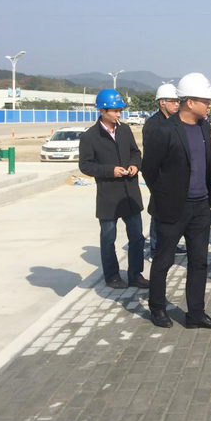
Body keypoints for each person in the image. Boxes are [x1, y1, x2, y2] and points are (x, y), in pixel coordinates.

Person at [141, 73, 211, 330]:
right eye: (205, 101)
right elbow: (149, 170)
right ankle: (157, 308)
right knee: (163, 260)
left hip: (200, 207)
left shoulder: (204, 127)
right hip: (172, 208)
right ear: (190, 102)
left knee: (199, 261)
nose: (209, 105)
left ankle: (195, 314)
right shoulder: (164, 130)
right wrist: (165, 195)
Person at [79, 88, 148, 290]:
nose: (119, 114)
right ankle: (112, 276)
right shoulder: (90, 137)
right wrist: (110, 171)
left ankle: (135, 274)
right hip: (109, 195)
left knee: (137, 237)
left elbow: (135, 152)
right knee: (108, 238)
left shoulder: (125, 130)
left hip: (129, 194)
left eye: (120, 110)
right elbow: (85, 165)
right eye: (115, 110)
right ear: (102, 111)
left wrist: (135, 165)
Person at [142, 83, 186, 259]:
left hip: (175, 176)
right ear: (162, 103)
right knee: (158, 213)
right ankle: (155, 249)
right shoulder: (153, 125)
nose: (176, 104)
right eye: (173, 101)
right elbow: (151, 159)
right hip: (160, 177)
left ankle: (171, 245)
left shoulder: (177, 122)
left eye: (178, 101)